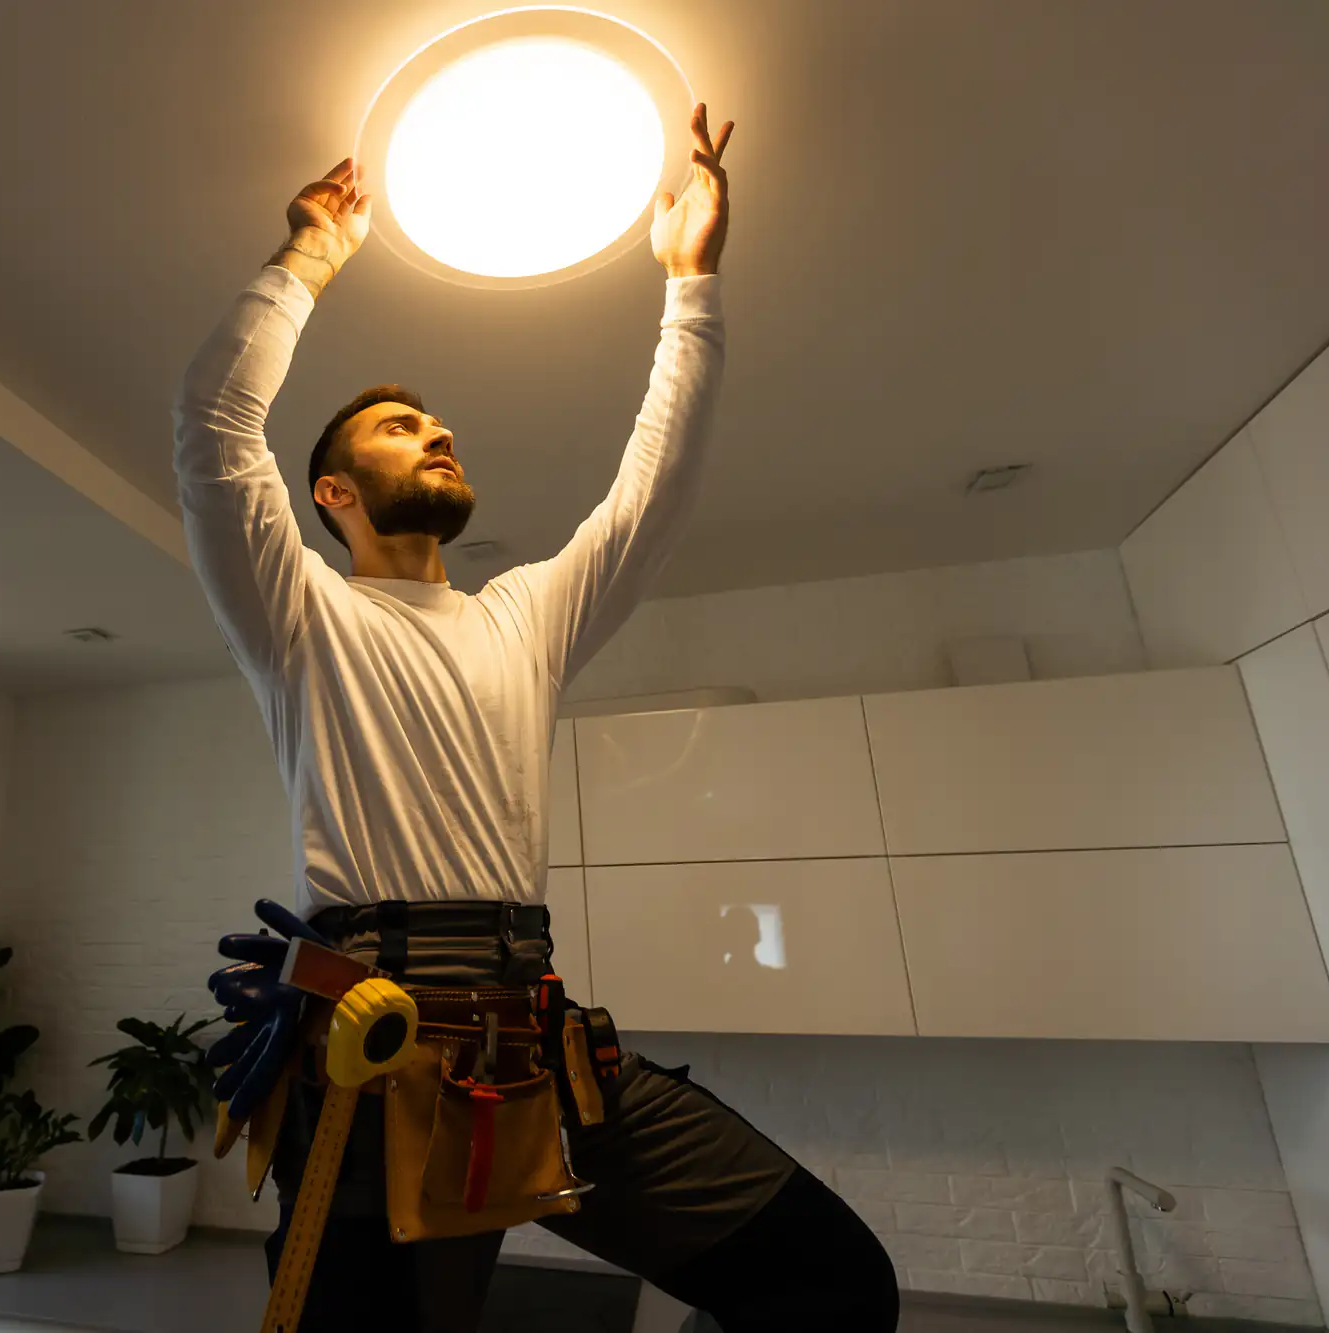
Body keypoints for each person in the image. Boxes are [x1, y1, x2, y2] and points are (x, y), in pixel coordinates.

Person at [173, 105, 899, 1331]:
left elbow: (651, 490)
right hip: (369, 1046)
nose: (440, 431)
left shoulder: (524, 614)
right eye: (402, 427)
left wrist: (690, 285)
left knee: (832, 1281)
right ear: (333, 492)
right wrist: (304, 260)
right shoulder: (298, 612)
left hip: (539, 1041)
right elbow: (210, 427)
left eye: (438, 422)